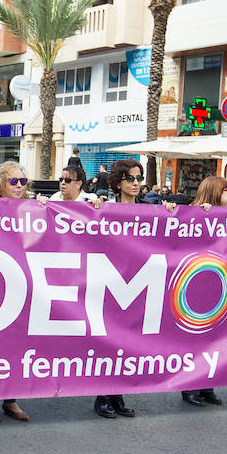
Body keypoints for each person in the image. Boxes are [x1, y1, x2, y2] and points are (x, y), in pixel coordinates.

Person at [91, 159, 174, 419]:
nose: (136, 183)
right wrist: (93, 208)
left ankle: (117, 395)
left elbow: (175, 228)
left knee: (126, 343)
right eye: (130, 178)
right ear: (118, 182)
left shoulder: (152, 209)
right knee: (108, 341)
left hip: (140, 284)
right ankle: (102, 396)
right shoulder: (106, 208)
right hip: (111, 282)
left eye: (139, 178)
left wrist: (171, 210)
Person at [180, 175, 227, 407]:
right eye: (225, 190)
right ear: (214, 192)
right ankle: (190, 386)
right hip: (197, 283)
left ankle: (207, 385)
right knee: (195, 340)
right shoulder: (193, 215)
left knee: (215, 339)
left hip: (222, 284)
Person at [0, 160, 46, 423]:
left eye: (22, 181)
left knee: (19, 343)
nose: (19, 186)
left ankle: (11, 398)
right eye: (13, 181)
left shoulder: (34, 207)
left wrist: (45, 209)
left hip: (25, 286)